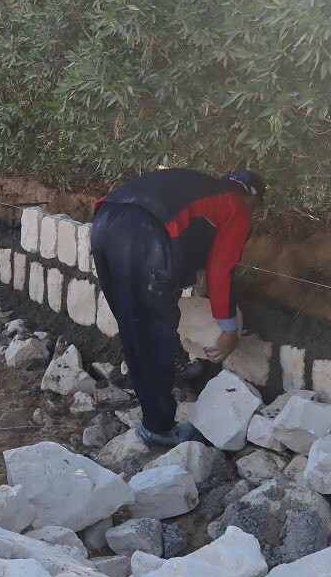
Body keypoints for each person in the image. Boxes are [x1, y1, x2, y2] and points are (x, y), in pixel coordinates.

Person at [91, 167, 265, 447]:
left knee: (134, 325)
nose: (252, 215)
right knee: (153, 331)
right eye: (255, 209)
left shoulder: (198, 191)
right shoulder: (236, 207)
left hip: (105, 218)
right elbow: (221, 271)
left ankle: (161, 390)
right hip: (144, 229)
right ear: (250, 198)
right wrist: (229, 328)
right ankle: (158, 427)